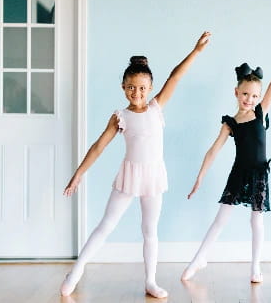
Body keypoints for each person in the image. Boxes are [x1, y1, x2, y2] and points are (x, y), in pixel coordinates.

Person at [60, 31, 211, 298]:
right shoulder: (120, 117)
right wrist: (78, 174)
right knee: (105, 226)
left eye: (142, 88)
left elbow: (175, 76)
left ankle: (150, 281)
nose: (136, 93)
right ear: (123, 87)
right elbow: (98, 147)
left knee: (150, 231)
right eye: (131, 87)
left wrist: (196, 51)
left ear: (150, 88)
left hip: (153, 177)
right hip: (129, 176)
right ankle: (77, 270)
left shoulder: (156, 108)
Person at [181, 39, 271, 283]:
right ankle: (198, 259)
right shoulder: (231, 123)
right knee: (220, 219)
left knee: (256, 220)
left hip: (259, 174)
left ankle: (255, 267)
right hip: (238, 173)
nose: (249, 99)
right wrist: (199, 178)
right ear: (236, 93)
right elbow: (213, 151)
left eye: (254, 95)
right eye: (245, 94)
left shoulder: (260, 112)